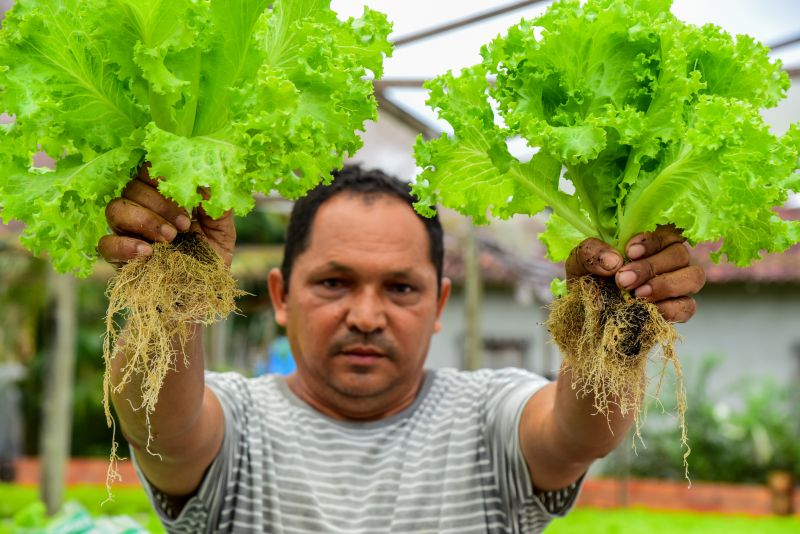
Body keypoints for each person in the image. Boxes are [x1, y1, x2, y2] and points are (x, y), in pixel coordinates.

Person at [99, 165, 705, 533]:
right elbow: (159, 426)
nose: (366, 317)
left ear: (438, 305)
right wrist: (174, 268)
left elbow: (580, 431)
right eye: (334, 283)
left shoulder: (488, 414)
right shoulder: (236, 418)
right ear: (282, 296)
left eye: (400, 288)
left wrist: (621, 306)